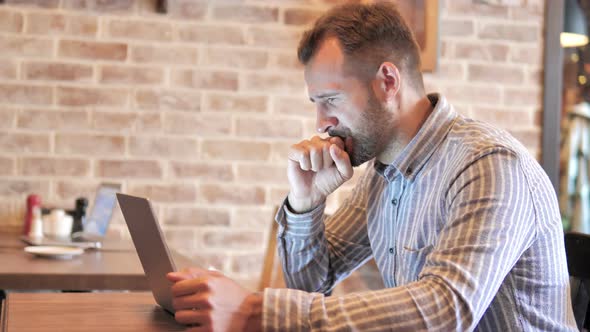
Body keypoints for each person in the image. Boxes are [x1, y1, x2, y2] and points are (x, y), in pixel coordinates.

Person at [166, 2, 577, 331]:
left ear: (387, 81)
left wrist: (255, 313)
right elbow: (311, 282)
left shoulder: (487, 164)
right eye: (316, 103)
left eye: (331, 99)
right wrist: (305, 204)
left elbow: (445, 311)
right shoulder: (384, 171)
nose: (320, 123)